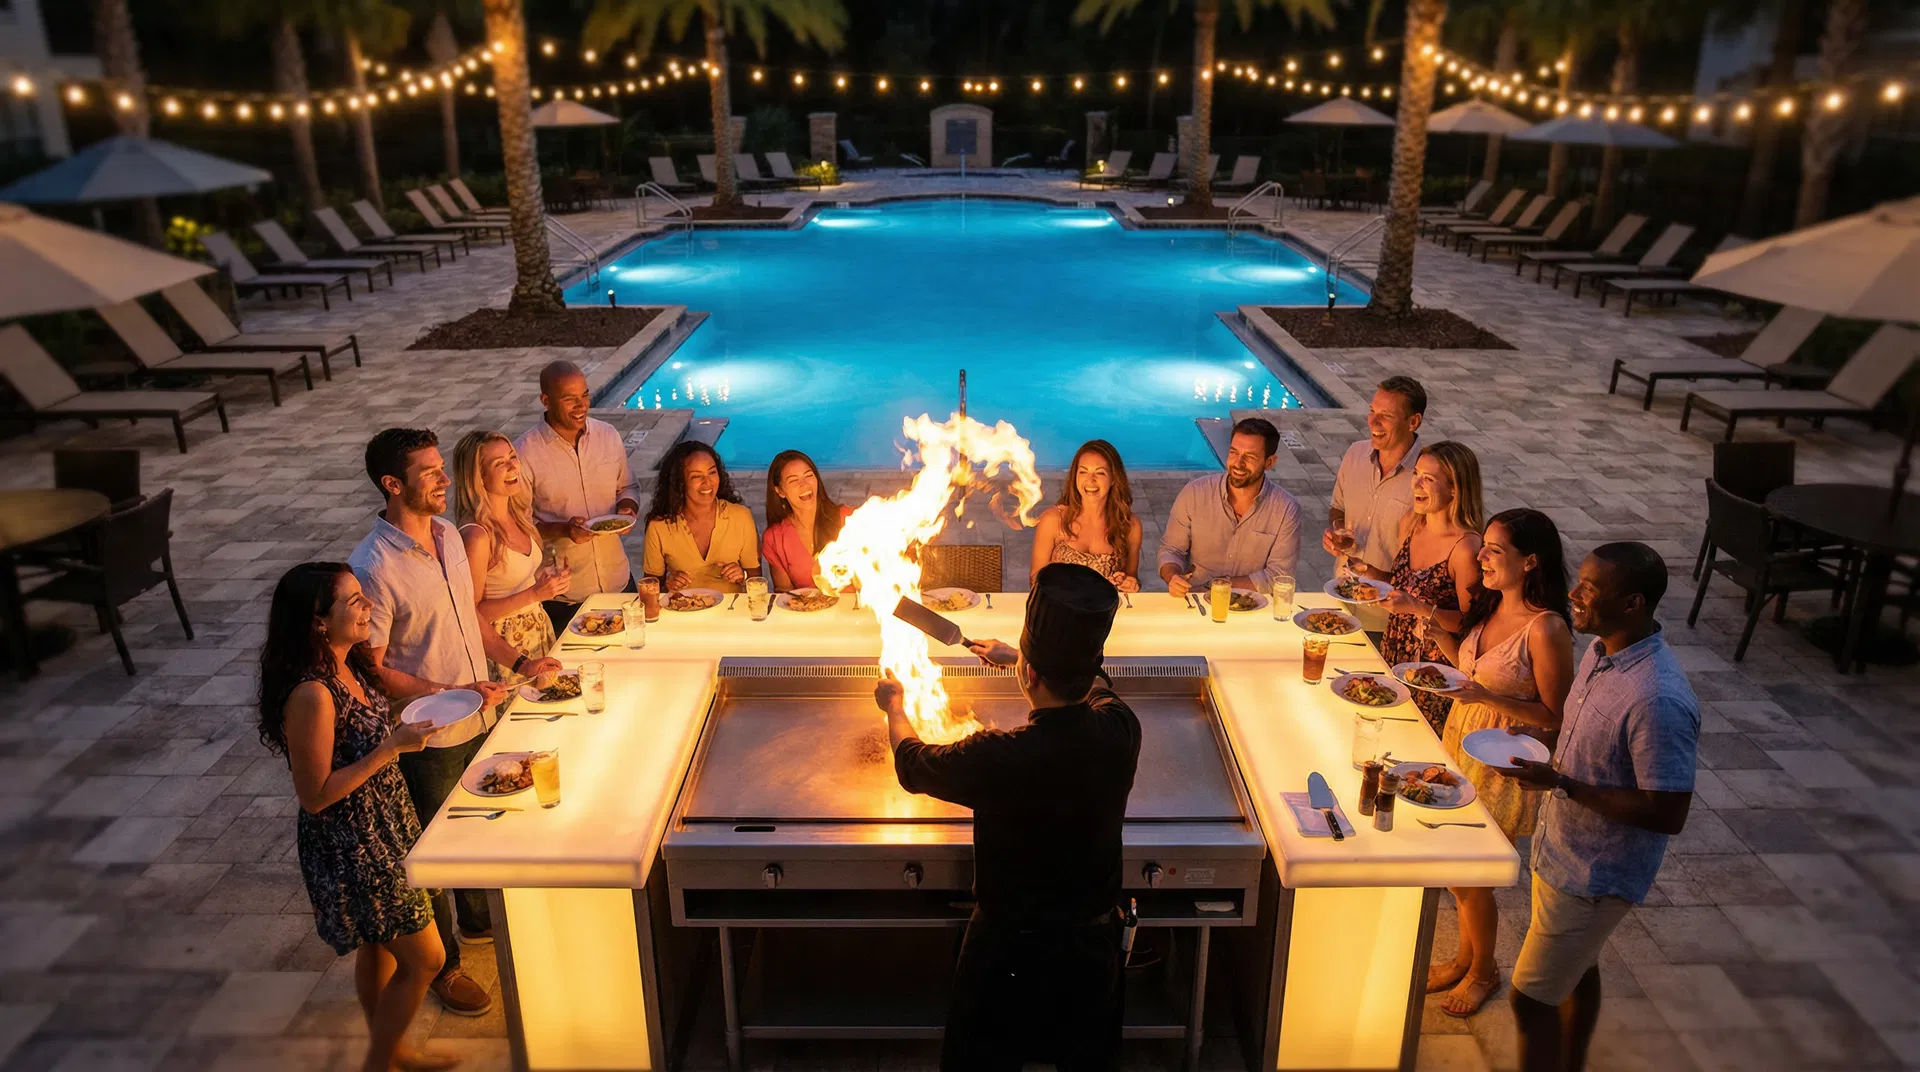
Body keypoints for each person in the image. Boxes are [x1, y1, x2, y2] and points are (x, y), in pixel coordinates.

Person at [879, 563, 1139, 1071]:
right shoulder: (1121, 730)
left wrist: (894, 704)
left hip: (1006, 955)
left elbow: (911, 764)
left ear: (1029, 673)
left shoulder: (1000, 756)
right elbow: (1100, 684)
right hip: (1090, 951)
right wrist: (1021, 656)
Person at [349, 427, 559, 1017]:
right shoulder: (372, 565)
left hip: (481, 711)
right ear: (393, 485)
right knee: (434, 847)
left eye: (444, 468)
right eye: (429, 472)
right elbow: (372, 666)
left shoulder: (446, 534)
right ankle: (445, 969)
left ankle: (476, 920)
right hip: (430, 733)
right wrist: (448, 693)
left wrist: (519, 662)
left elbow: (470, 623)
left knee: (483, 818)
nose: (445, 480)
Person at [1501, 543, 1698, 1072]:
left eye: (1590, 588)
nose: (1574, 594)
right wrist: (1539, 733)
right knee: (1577, 971)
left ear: (1633, 603)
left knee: (1530, 998)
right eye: (1579, 581)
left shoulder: (1657, 698)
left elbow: (1668, 812)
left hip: (1595, 874)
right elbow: (1580, 731)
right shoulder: (1600, 650)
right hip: (1560, 849)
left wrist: (1562, 782)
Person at [258, 563, 457, 1072]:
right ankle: (378, 1063)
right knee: (427, 959)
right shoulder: (313, 694)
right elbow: (315, 796)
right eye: (354, 601)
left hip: (385, 822)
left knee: (382, 950)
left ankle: (392, 1051)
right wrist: (390, 749)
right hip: (354, 844)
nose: (368, 606)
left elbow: (369, 724)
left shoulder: (349, 663)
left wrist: (432, 701)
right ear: (319, 622)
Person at [1421, 509, 1575, 1018]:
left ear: (1530, 562)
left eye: (1494, 550)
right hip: (1461, 744)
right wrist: (1435, 639)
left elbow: (1556, 716)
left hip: (1502, 761)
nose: (1481, 556)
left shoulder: (1545, 628)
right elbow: (1470, 674)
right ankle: (1465, 958)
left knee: (1471, 874)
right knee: (1458, 869)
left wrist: (1491, 698)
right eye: (1483, 546)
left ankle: (1484, 970)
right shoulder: (1491, 607)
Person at [514, 361, 641, 634]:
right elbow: (518, 526)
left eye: (584, 395)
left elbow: (627, 486)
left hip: (619, 583)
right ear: (545, 401)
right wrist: (564, 530)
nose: (582, 405)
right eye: (570, 399)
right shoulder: (524, 453)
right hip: (565, 597)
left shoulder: (608, 436)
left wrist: (627, 510)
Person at [1377, 441, 1485, 732]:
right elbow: (1402, 584)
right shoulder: (1411, 524)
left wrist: (1418, 608)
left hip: (1434, 671)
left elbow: (1472, 624)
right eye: (1416, 474)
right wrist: (1368, 574)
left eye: (1429, 479)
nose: (1417, 485)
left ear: (1455, 489)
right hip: (1395, 651)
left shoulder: (1465, 548)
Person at [453, 431, 569, 678]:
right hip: (506, 652)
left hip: (537, 635)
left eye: (512, 457)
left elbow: (509, 579)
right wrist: (535, 593)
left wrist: (545, 579)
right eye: (499, 464)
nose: (512, 466)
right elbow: (469, 613)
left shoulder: (515, 514)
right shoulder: (476, 536)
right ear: (479, 478)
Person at [1157, 417, 1300, 598]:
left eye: (1249, 457)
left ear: (1269, 462)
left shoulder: (1286, 509)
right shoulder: (1195, 493)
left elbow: (1279, 576)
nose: (1238, 463)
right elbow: (1171, 550)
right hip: (1197, 603)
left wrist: (1217, 585)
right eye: (1234, 452)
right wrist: (1173, 576)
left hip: (1251, 607)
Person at [1324, 376, 1426, 578]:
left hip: (1390, 604)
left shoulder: (1428, 475)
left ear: (1413, 422)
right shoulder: (1355, 453)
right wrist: (1339, 530)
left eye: (1385, 415)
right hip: (1342, 589)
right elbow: (1338, 507)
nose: (1373, 421)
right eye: (1372, 411)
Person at [643, 440, 760, 593]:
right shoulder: (659, 527)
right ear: (680, 483)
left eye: (712, 472)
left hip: (731, 612)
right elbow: (649, 588)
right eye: (696, 477)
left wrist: (742, 576)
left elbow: (757, 580)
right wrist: (668, 585)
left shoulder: (741, 517)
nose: (708, 483)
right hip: (682, 611)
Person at [1030, 440, 1143, 592]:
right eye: (1083, 471)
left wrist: (1128, 583)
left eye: (1100, 473)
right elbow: (1035, 580)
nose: (1090, 480)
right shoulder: (1053, 520)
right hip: (1059, 612)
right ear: (1075, 476)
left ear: (1114, 479)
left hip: (1105, 615)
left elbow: (1131, 578)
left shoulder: (1130, 526)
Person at [762, 449, 852, 592]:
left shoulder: (849, 519)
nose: (804, 484)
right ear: (780, 491)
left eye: (808, 476)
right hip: (809, 612)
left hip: (856, 611)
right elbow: (785, 594)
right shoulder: (774, 538)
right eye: (793, 480)